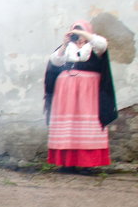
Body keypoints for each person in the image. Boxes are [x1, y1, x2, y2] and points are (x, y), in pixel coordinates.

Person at [44, 19, 116, 171]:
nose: (77, 35)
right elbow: (55, 61)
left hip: (87, 92)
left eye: (80, 31)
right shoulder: (67, 47)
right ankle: (66, 163)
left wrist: (83, 34)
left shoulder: (94, 46)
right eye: (74, 31)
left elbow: (102, 44)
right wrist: (65, 43)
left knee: (87, 124)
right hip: (66, 93)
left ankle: (86, 164)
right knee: (68, 125)